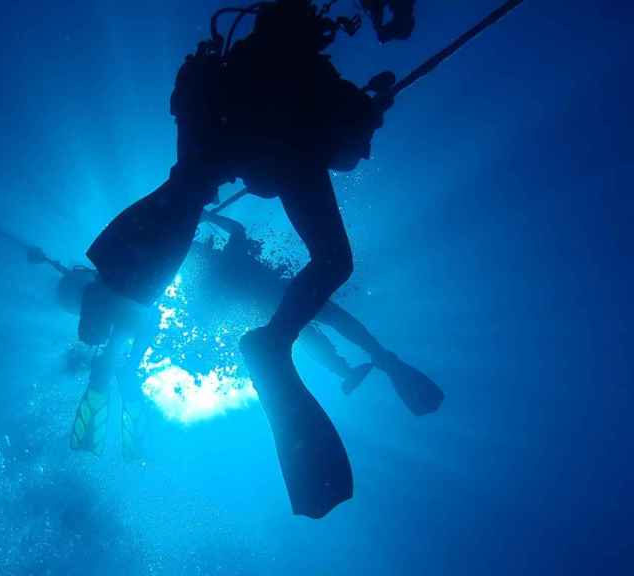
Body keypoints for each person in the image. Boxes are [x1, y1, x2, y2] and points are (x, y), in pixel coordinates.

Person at [86, 0, 411, 518]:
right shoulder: (305, 68)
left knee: (185, 195)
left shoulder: (240, 67)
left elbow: (203, 150)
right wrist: (369, 111)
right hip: (282, 154)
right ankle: (274, 340)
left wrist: (364, 110)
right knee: (332, 262)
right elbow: (345, 152)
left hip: (236, 144)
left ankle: (115, 290)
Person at [199, 211, 443, 416]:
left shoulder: (214, 275)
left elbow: (215, 299)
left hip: (276, 305)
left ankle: (346, 370)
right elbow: (237, 229)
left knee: (310, 334)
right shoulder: (226, 259)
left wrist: (203, 219)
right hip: (286, 293)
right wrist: (208, 216)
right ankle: (369, 359)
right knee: (329, 322)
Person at [26, 247, 157, 461]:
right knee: (116, 370)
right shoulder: (101, 290)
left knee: (107, 370)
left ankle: (113, 437)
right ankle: (135, 443)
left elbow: (91, 334)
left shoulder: (96, 291)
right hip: (134, 311)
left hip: (128, 311)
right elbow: (94, 332)